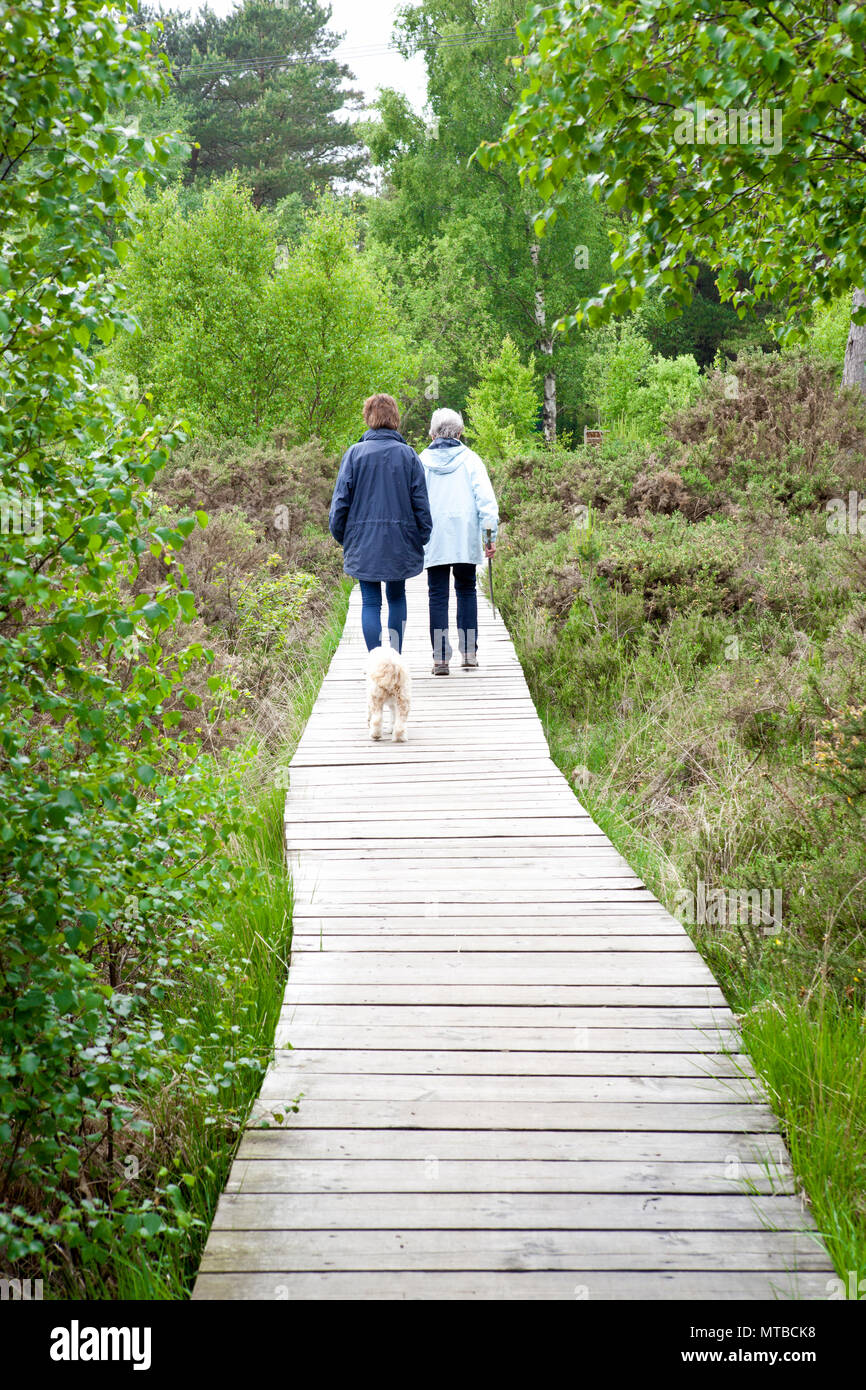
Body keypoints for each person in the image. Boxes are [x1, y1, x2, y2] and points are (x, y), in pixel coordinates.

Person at [329, 393, 432, 654]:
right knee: (397, 597)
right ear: (395, 418)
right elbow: (421, 503)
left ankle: (376, 664)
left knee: (370, 601)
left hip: (363, 542)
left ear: (368, 417)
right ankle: (394, 659)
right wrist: (422, 535)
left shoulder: (354, 455)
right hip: (400, 542)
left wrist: (345, 537)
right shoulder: (408, 456)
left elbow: (340, 503)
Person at [419, 407, 499, 674]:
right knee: (466, 590)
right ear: (461, 432)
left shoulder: (420, 461)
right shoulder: (471, 460)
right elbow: (486, 503)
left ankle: (441, 658)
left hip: (435, 537)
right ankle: (468, 653)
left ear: (432, 434)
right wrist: (489, 538)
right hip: (465, 538)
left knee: (437, 595)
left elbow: (415, 502)